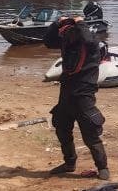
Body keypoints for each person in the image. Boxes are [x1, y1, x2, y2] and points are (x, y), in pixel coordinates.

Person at [43, 13, 111, 180]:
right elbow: (48, 41)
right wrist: (56, 24)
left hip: (83, 96)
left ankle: (102, 167)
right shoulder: (68, 44)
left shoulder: (92, 46)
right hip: (66, 94)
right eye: (68, 32)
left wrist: (80, 22)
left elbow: (89, 40)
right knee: (62, 130)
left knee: (91, 134)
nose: (69, 35)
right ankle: (69, 163)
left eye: (73, 32)